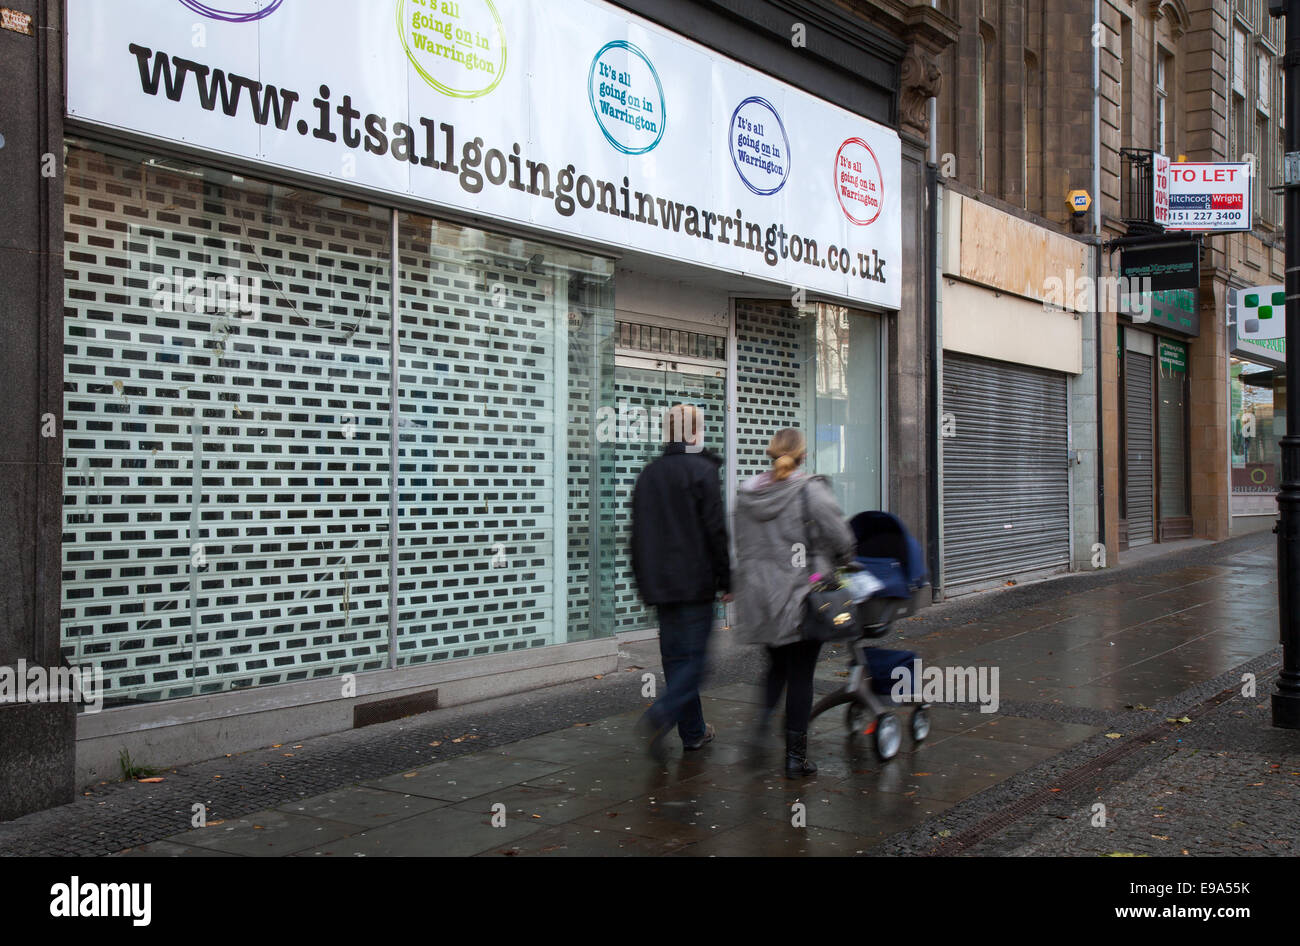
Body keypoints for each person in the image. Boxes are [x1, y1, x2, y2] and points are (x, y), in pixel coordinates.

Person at [732, 428, 856, 777]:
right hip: (800, 596)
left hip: (761, 599)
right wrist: (844, 558)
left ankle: (760, 730)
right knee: (801, 675)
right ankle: (795, 758)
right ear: (803, 454)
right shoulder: (809, 490)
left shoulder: (746, 493)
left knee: (776, 666)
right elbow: (841, 536)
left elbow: (742, 546)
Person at [630, 403, 732, 758]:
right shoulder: (701, 471)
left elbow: (637, 535)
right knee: (697, 663)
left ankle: (693, 732)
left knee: (676, 661)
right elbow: (715, 531)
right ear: (693, 434)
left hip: (662, 586)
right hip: (696, 583)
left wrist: (644, 581)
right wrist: (727, 578)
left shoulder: (650, 474)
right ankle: (661, 713)